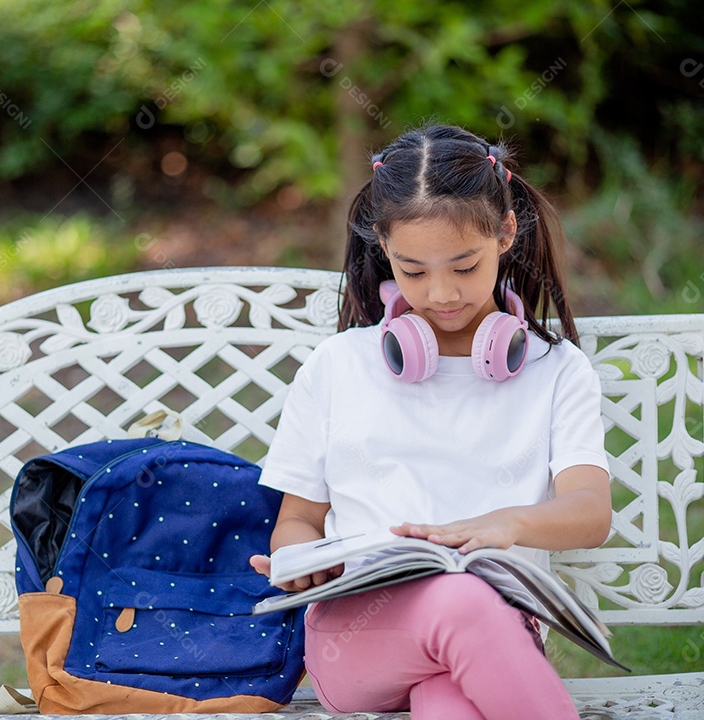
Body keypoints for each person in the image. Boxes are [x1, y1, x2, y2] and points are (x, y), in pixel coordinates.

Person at [248, 124, 612, 720]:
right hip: (359, 639)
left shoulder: (557, 369)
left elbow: (591, 512)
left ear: (506, 233)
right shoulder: (339, 365)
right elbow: (297, 521)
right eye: (413, 272)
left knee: (449, 705)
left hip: (494, 635)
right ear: (384, 248)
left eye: (464, 267)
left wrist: (508, 523)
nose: (441, 293)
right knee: (462, 603)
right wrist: (303, 563)